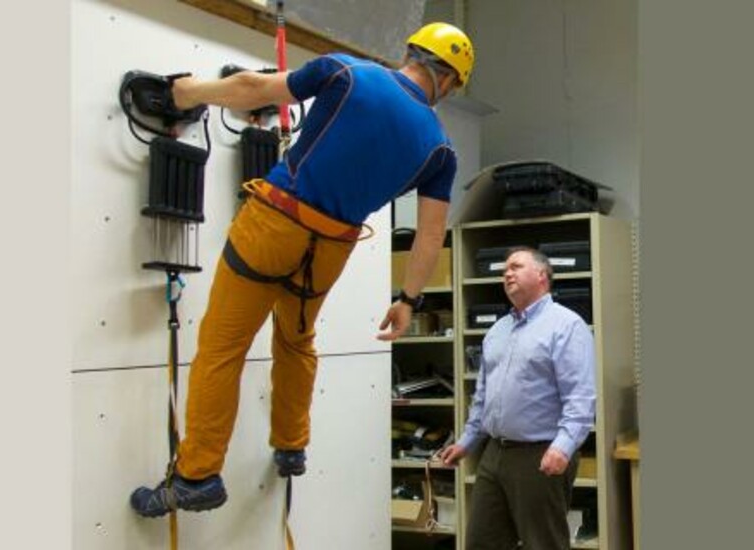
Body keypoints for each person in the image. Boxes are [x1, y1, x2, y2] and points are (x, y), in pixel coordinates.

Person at [130, 22, 476, 518]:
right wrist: (408, 300)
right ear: (450, 81)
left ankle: (198, 475)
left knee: (223, 346)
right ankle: (291, 445)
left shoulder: (348, 72)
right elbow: (428, 233)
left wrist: (187, 93)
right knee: (296, 339)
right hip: (331, 249)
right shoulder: (440, 151)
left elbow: (252, 89)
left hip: (275, 225)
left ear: (411, 52)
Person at [439, 246, 596, 550]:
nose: (507, 273)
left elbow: (580, 396)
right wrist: (467, 441)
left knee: (543, 543)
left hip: (539, 454)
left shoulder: (566, 325)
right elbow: (483, 395)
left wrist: (563, 447)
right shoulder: (497, 331)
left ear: (541, 275)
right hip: (494, 454)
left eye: (516, 266)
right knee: (482, 542)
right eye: (504, 270)